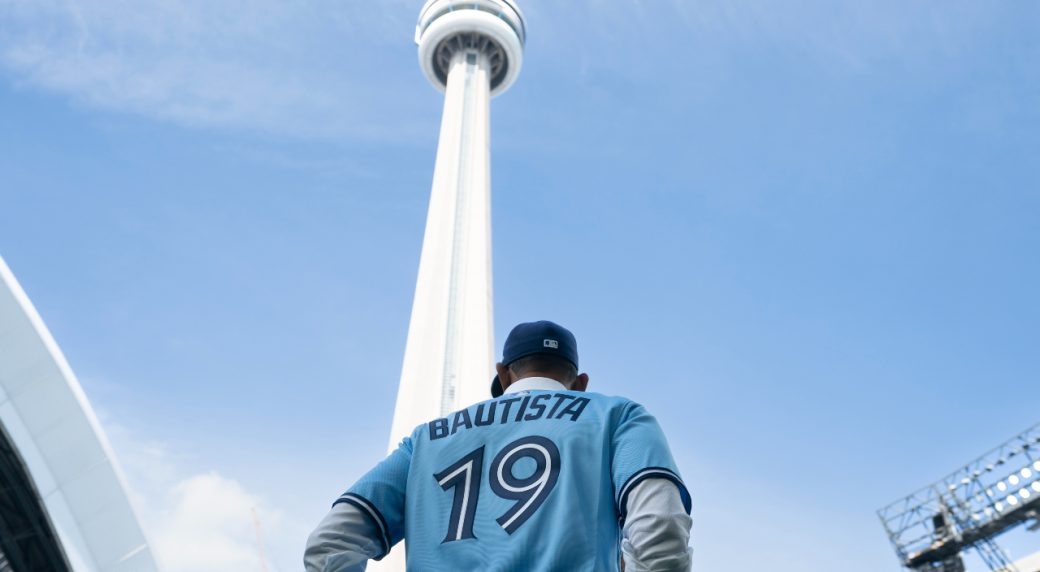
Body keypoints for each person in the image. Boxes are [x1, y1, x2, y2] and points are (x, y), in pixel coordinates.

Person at [305, 320, 692, 571]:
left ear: (503, 374)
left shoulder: (424, 440)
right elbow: (659, 527)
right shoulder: (617, 416)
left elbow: (330, 543)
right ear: (580, 383)